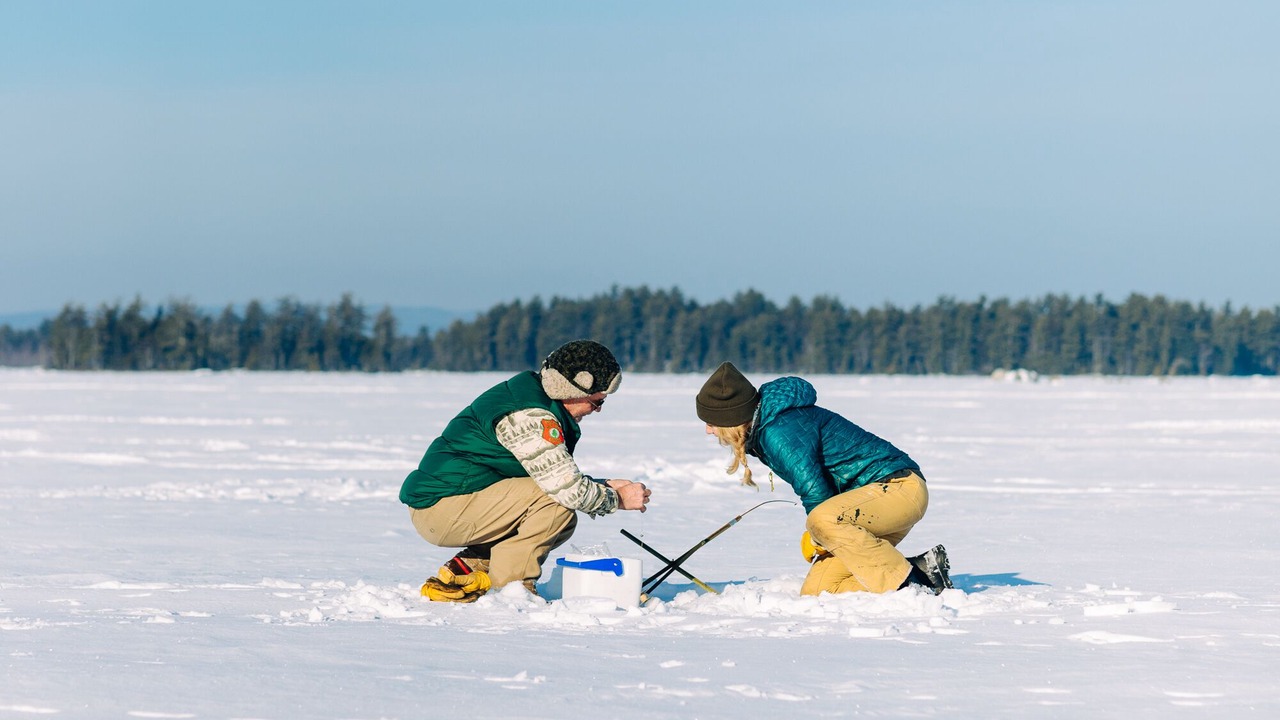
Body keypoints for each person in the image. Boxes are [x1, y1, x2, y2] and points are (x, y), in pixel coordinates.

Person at [401, 340, 650, 602]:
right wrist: (618, 499)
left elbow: (548, 476)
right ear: (571, 389)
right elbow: (565, 491)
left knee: (560, 520)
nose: (597, 410)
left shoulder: (532, 397)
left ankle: (468, 569)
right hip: (442, 508)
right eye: (596, 401)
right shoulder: (530, 417)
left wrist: (606, 485)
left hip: (454, 501)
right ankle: (512, 592)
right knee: (555, 506)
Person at [695, 361, 952, 596]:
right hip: (866, 507)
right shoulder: (768, 427)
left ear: (731, 418)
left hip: (898, 488)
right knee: (820, 592)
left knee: (820, 520)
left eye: (711, 422)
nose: (708, 430)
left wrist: (818, 537)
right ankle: (926, 570)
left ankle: (914, 586)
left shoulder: (779, 431)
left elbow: (815, 493)